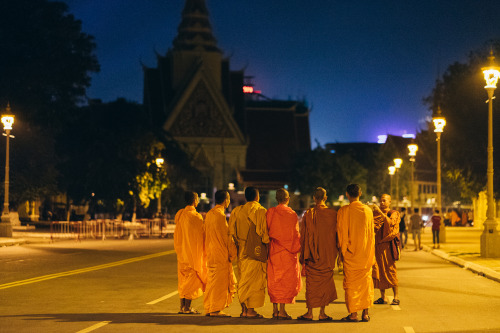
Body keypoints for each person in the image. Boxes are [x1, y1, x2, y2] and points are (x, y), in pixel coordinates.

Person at [298, 187, 338, 321]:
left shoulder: (309, 214)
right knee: (325, 283)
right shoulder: (333, 214)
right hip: (327, 255)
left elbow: (303, 236)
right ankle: (322, 313)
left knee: (311, 285)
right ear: (325, 198)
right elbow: (337, 236)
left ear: (314, 198)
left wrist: (302, 254)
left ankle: (309, 312)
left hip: (312, 256)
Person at [228, 187, 269, 319]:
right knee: (254, 281)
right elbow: (265, 235)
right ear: (257, 197)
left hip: (242, 250)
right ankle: (250, 310)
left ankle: (244, 309)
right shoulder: (261, 211)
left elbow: (231, 233)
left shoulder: (237, 211)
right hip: (255, 251)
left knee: (243, 279)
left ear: (246, 198)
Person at [337, 184, 375, 322]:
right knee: (366, 284)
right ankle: (365, 313)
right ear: (360, 193)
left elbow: (342, 236)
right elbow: (371, 235)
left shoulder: (343, 211)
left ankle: (353, 314)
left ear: (347, 194)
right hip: (366, 254)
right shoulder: (368, 211)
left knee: (352, 285)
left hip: (351, 255)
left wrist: (342, 253)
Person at [267, 188, 302, 320]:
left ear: (276, 199)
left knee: (275, 279)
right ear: (288, 199)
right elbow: (295, 234)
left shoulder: (271, 212)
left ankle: (275, 310)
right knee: (285, 281)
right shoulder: (291, 214)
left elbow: (267, 230)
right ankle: (282, 310)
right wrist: (296, 247)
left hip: (274, 250)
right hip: (288, 252)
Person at [203, 190, 237, 317]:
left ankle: (209, 307)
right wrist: (233, 252)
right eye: (228, 199)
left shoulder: (210, 214)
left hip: (211, 252)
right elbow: (227, 237)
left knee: (212, 281)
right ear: (226, 200)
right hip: (220, 254)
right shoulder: (220, 216)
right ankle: (216, 309)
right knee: (219, 283)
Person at [174, 191, 207, 314]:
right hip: (192, 253)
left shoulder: (180, 214)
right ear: (194, 201)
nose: (198, 201)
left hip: (182, 252)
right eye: (197, 199)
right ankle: (187, 308)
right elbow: (200, 236)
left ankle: (182, 307)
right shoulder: (195, 216)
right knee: (192, 281)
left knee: (183, 280)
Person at [372, 194, 400, 305]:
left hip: (387, 246)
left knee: (390, 271)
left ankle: (396, 296)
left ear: (390, 202)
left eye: (384, 201)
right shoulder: (375, 214)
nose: (382, 202)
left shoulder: (393, 213)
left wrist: (380, 212)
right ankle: (382, 297)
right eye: (381, 201)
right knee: (379, 271)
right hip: (377, 246)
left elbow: (391, 226)